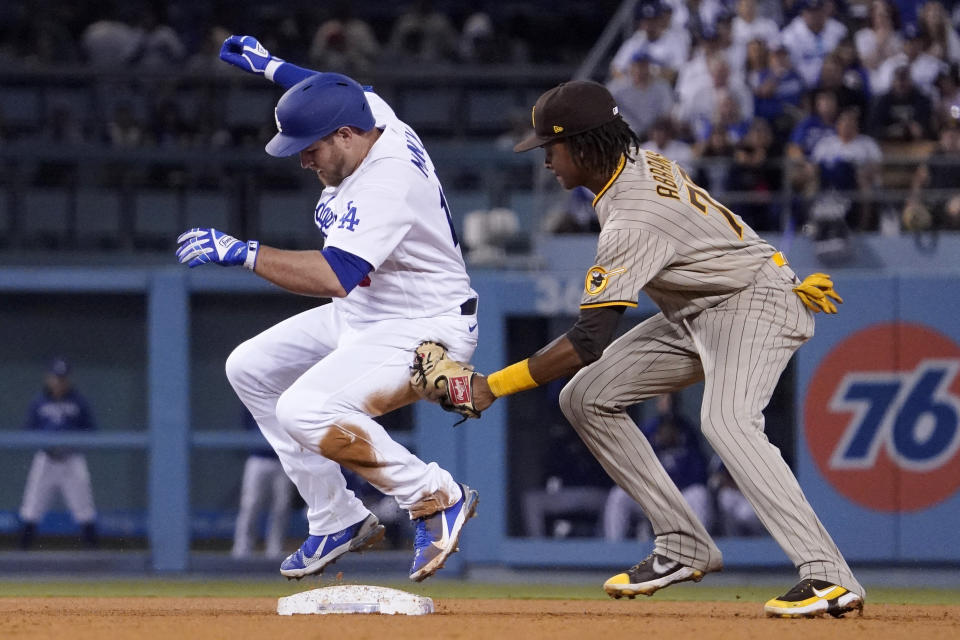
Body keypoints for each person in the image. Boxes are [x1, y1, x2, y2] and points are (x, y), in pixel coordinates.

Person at [425, 79, 863, 618]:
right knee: (585, 397)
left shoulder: (632, 216)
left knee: (727, 422)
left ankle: (828, 576)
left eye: (551, 147)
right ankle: (683, 543)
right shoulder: (633, 161)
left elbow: (588, 339)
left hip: (752, 303)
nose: (545, 162)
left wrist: (492, 386)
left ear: (585, 145)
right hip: (701, 305)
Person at [175, 34, 479, 582]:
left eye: (309, 148)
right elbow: (340, 91)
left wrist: (245, 254)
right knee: (248, 367)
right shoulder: (370, 117)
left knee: (304, 409)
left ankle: (435, 496)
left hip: (422, 326)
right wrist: (271, 68)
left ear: (345, 136)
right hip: (371, 313)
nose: (303, 160)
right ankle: (335, 516)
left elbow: (335, 277)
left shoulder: (387, 180)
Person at [603, 394, 712, 542]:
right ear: (657, 403)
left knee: (700, 495)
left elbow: (700, 473)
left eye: (671, 399)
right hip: (652, 497)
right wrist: (655, 446)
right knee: (618, 495)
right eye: (663, 399)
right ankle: (614, 550)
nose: (667, 403)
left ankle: (700, 552)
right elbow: (631, 468)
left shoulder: (688, 432)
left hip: (680, 496)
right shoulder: (648, 430)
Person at [18, 357, 99, 550]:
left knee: (84, 506)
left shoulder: (78, 401)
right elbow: (27, 430)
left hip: (72, 459)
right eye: (55, 378)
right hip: (46, 458)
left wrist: (74, 445)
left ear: (68, 379)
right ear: (48, 378)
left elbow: (91, 430)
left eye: (62, 378)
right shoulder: (39, 402)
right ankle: (23, 553)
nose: (59, 382)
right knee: (32, 505)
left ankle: (94, 556)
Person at [231, 409, 295, 559]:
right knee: (250, 503)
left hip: (283, 459)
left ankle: (274, 548)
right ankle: (242, 548)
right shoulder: (255, 395)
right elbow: (247, 424)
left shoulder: (286, 397)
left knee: (282, 505)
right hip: (258, 457)